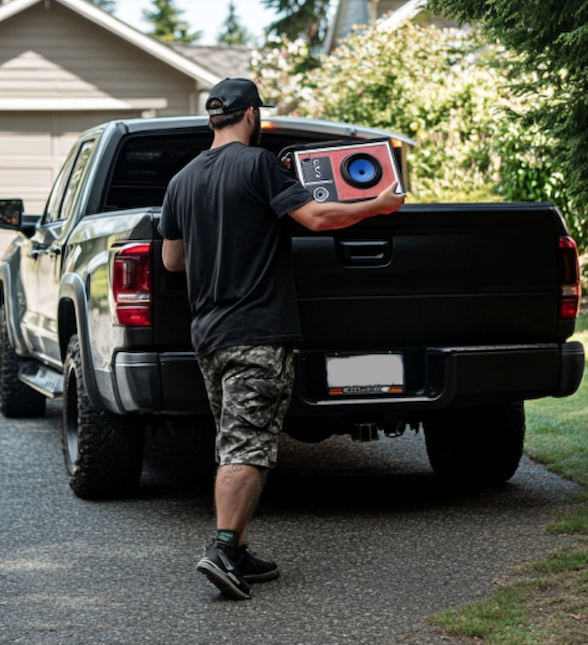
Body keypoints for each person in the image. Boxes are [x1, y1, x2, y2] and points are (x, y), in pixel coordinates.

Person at [159, 78, 405, 600]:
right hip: (257, 332)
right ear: (251, 116)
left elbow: (171, 260)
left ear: (213, 119)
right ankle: (223, 548)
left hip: (209, 335)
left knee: (234, 439)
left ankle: (240, 548)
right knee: (247, 447)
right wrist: (378, 206)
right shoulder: (259, 166)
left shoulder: (180, 181)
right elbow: (316, 216)